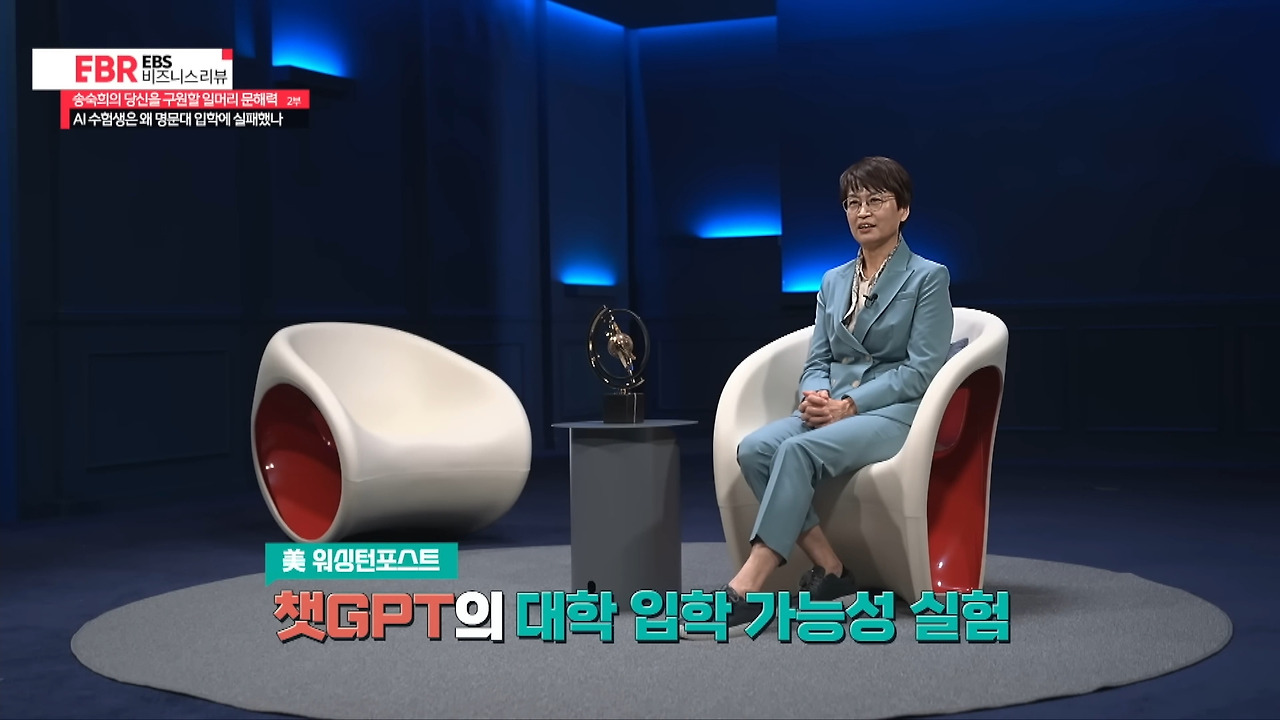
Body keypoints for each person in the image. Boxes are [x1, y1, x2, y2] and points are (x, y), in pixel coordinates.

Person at [689, 156, 954, 636]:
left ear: (904, 210)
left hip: (892, 413)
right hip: (833, 406)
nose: (862, 212)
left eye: (876, 201)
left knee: (796, 450)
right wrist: (815, 394)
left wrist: (849, 405)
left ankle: (747, 586)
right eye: (853, 203)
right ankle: (832, 570)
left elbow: (920, 372)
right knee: (755, 448)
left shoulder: (927, 278)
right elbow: (818, 358)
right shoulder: (833, 281)